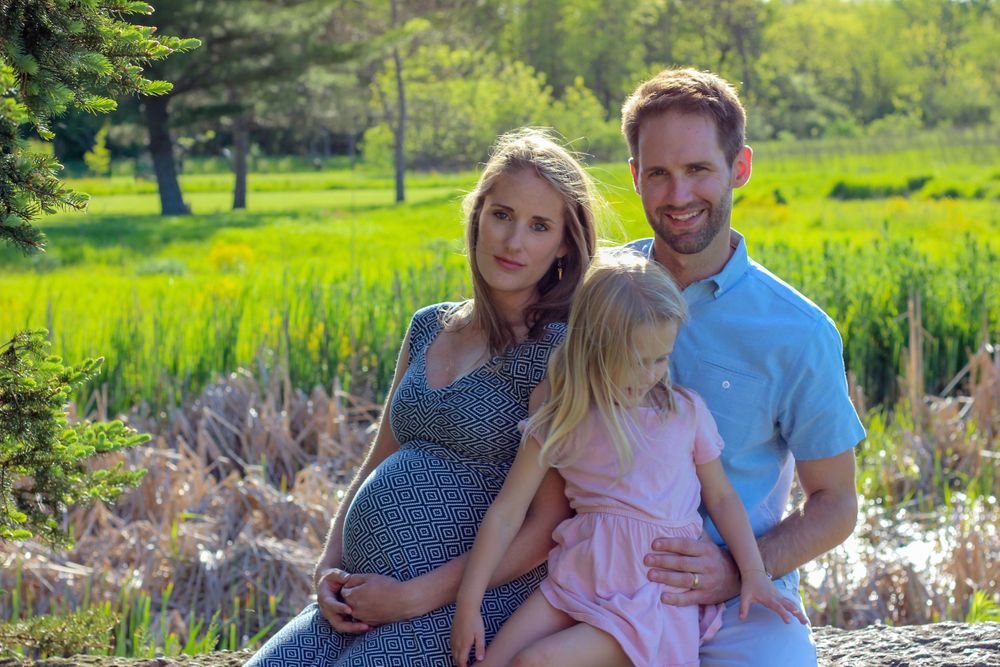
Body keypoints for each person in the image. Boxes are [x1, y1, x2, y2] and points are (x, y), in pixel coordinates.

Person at [245, 127, 599, 666]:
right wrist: (328, 566)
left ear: (564, 245)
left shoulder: (556, 353)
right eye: (502, 215)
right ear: (477, 215)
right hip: (361, 597)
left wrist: (415, 596)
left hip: (468, 605)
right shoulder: (429, 325)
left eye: (539, 226)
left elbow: (545, 527)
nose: (513, 241)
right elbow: (379, 457)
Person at [450, 252, 807, 667]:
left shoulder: (684, 413)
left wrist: (754, 574)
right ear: (594, 348)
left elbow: (723, 498)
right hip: (577, 579)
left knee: (536, 661)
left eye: (662, 358)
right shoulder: (562, 416)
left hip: (650, 595)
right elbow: (506, 513)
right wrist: (468, 602)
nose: (652, 374)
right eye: (638, 361)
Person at [620, 67, 867, 665]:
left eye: (698, 169)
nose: (678, 195)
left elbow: (836, 503)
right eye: (659, 173)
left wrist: (735, 570)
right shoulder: (600, 291)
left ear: (740, 167)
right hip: (601, 581)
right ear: (635, 176)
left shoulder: (799, 333)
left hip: (741, 604)